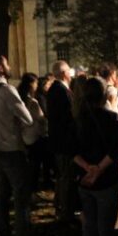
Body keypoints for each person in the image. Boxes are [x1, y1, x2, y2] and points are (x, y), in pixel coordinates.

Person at [0, 55, 53, 236]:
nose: (9, 66)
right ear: (0, 68)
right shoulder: (8, 91)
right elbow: (28, 119)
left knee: (1, 197)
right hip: (13, 150)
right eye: (6, 63)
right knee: (22, 199)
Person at [73, 77, 118, 236]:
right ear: (104, 95)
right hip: (107, 181)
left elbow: (72, 151)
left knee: (89, 228)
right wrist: (98, 169)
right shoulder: (113, 119)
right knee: (105, 229)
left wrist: (88, 169)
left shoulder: (77, 120)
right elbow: (115, 152)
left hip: (84, 182)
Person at [47, 60, 79, 222]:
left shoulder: (54, 89)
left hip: (57, 139)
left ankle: (60, 205)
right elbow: (68, 117)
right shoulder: (61, 91)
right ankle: (66, 212)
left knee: (62, 175)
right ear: (64, 73)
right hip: (64, 141)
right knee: (66, 176)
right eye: (69, 71)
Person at [17, 72, 49, 193]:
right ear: (31, 84)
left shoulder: (20, 100)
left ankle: (30, 186)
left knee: (30, 164)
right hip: (35, 137)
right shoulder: (32, 102)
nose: (37, 85)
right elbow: (41, 119)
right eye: (35, 83)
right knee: (35, 165)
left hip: (24, 136)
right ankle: (33, 188)